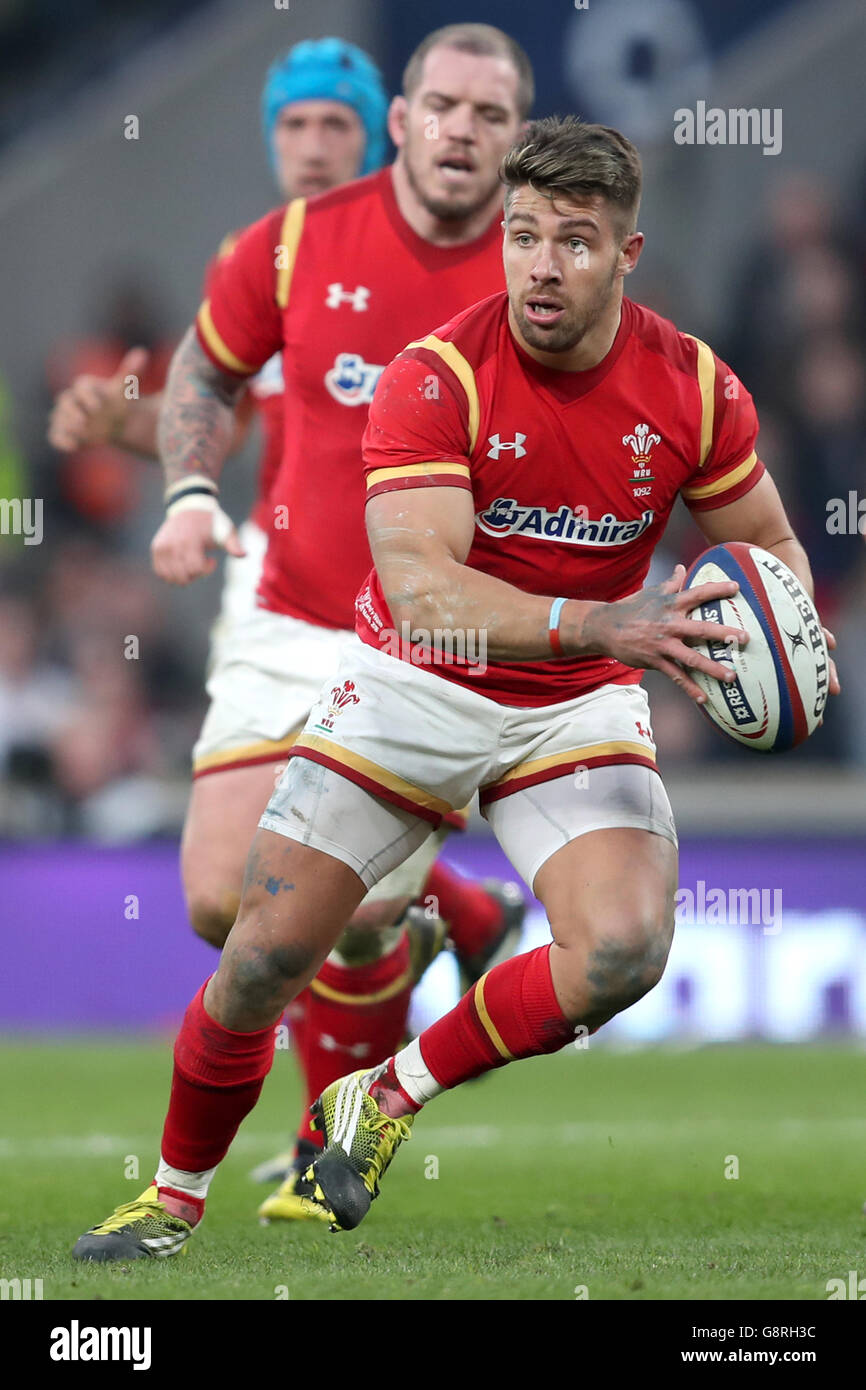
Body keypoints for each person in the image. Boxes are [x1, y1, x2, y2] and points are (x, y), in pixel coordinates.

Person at [74, 112, 841, 1259]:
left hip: (575, 700)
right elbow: (425, 595)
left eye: (573, 241)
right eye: (522, 236)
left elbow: (768, 544)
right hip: (412, 685)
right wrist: (603, 620)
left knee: (624, 949)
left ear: (624, 255)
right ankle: (170, 1199)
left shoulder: (690, 386)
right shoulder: (435, 377)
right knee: (263, 952)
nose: (542, 265)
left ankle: (382, 1095)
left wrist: (773, 643)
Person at [66, 24, 533, 1245]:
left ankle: (323, 1147)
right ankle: (449, 917)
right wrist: (182, 491)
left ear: (513, 134)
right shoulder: (285, 247)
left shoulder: (533, 266)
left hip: (425, 644)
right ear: (407, 122)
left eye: (488, 114)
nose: (461, 132)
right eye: (443, 108)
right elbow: (204, 380)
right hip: (284, 608)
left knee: (349, 907)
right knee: (221, 901)